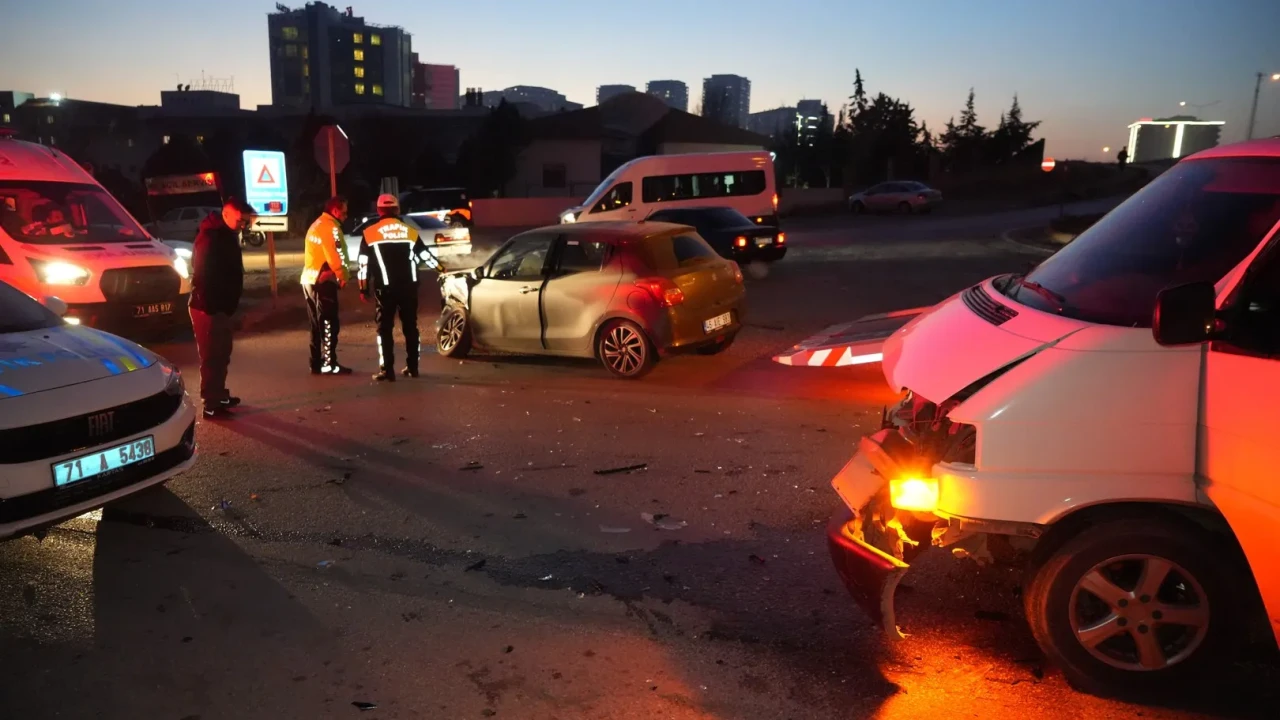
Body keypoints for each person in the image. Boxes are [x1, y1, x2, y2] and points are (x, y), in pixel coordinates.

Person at [357, 194, 440, 382]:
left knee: (384, 329)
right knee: (410, 327)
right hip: (409, 288)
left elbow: (363, 264)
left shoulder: (370, 233)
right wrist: (441, 270)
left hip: (384, 289)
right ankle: (413, 367)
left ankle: (387, 370)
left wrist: (363, 288)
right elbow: (425, 256)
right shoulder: (410, 232)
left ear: (379, 211)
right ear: (397, 210)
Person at [189, 198, 253, 419]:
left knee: (222, 353)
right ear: (226, 215)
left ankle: (219, 394)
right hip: (208, 307)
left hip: (221, 306)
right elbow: (202, 274)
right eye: (241, 220)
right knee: (212, 356)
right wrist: (211, 306)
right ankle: (211, 403)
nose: (244, 225)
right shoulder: (210, 238)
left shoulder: (227, 234)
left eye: (246, 221)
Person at [302, 196, 353, 375]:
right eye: (344, 212)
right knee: (329, 323)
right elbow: (336, 255)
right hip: (323, 280)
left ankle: (316, 362)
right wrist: (343, 276)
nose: (346, 216)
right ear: (335, 210)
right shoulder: (330, 227)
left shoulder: (317, 224)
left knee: (316, 324)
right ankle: (329, 364)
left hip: (310, 279)